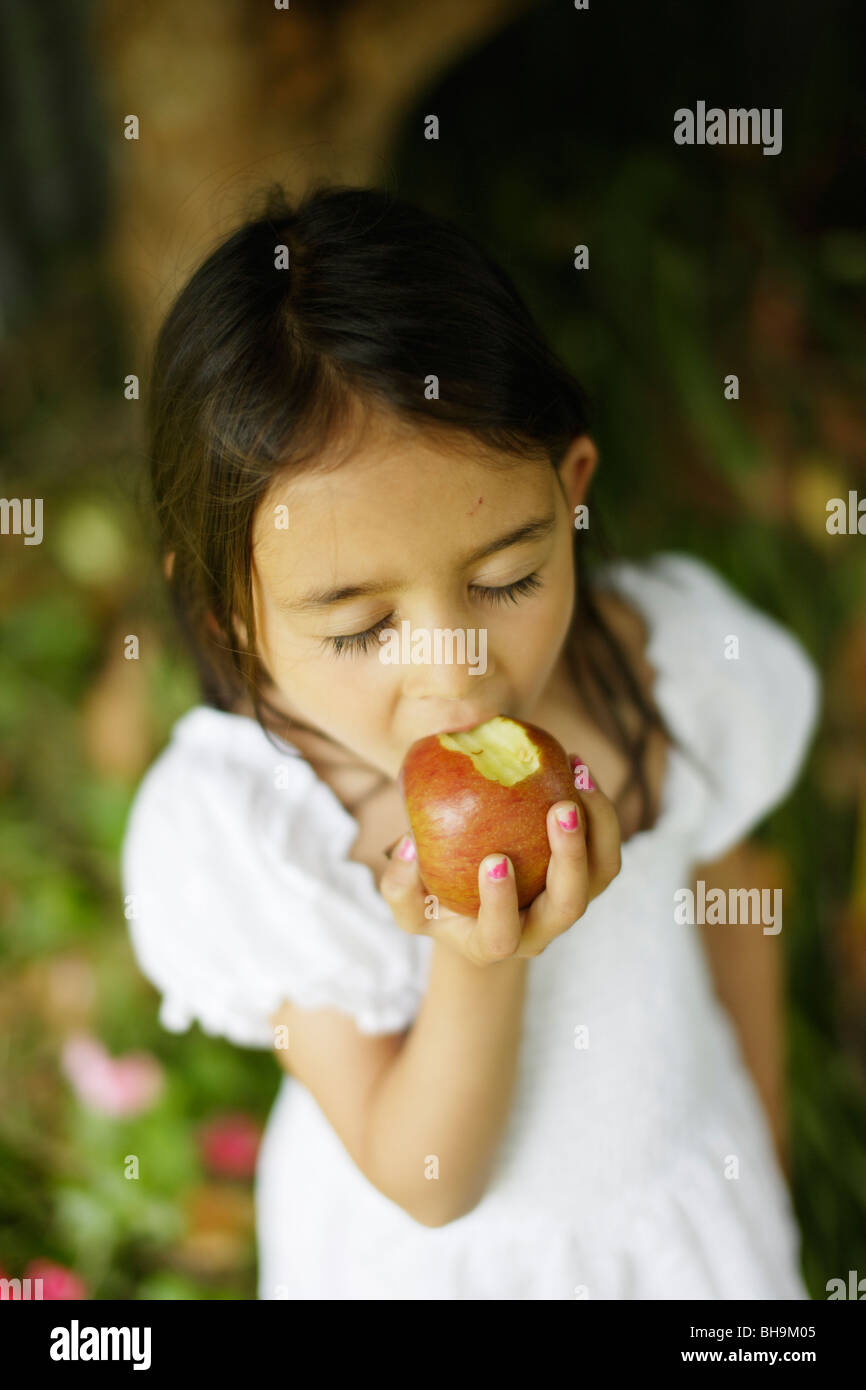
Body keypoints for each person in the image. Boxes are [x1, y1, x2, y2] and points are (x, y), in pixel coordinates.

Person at [122, 182, 820, 1299]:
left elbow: (735, 907)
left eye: (508, 576)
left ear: (570, 493)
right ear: (229, 617)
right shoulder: (258, 834)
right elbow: (431, 1180)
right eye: (358, 627)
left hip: (678, 1237)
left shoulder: (658, 677)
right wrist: (475, 954)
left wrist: (752, 1167)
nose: (454, 667)